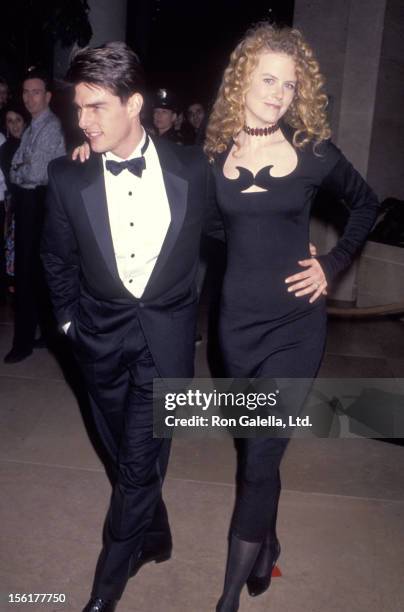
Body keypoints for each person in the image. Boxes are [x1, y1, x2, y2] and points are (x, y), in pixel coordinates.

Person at [204, 23, 380, 611]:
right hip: (235, 328)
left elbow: (366, 204)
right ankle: (268, 541)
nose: (279, 93)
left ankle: (228, 595)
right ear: (243, 80)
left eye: (289, 83)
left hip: (296, 326)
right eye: (268, 79)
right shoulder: (215, 158)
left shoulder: (313, 151)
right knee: (257, 447)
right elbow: (197, 223)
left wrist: (332, 264)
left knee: (259, 456)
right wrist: (91, 150)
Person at [41, 42, 208, 612]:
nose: (82, 121)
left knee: (137, 469)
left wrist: (301, 251)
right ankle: (154, 537)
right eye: (77, 109)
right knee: (121, 455)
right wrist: (69, 325)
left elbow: (234, 234)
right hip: (99, 342)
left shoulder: (193, 169)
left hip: (165, 350)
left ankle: (105, 589)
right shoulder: (68, 177)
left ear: (134, 103)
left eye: (95, 108)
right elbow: (56, 262)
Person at [4, 68, 65, 363]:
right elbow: (16, 166)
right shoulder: (31, 127)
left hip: (39, 205)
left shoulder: (50, 126)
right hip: (30, 204)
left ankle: (24, 342)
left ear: (48, 96)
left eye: (36, 92)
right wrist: (21, 169)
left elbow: (35, 173)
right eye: (26, 92)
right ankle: (48, 335)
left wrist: (21, 169)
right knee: (33, 274)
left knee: (30, 274)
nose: (29, 98)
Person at [0, 102, 30, 298]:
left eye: (18, 120)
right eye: (10, 121)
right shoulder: (5, 148)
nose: (14, 125)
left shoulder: (35, 142)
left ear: (25, 121)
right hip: (18, 204)